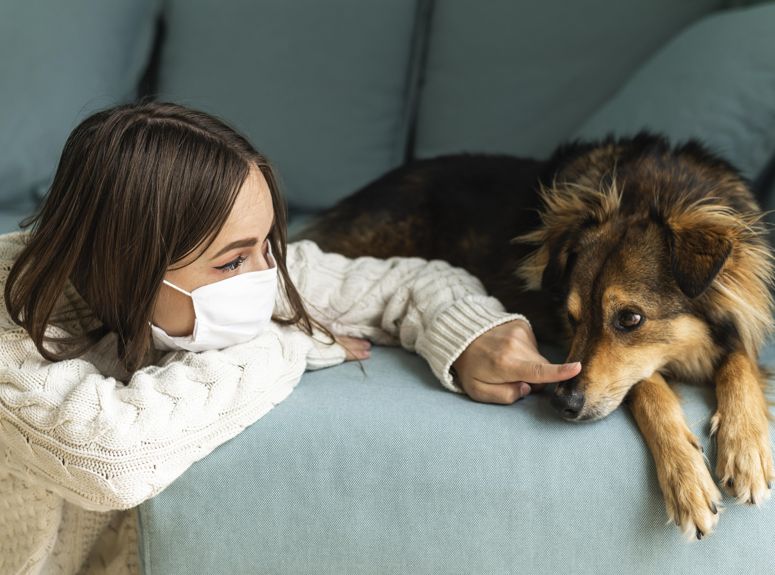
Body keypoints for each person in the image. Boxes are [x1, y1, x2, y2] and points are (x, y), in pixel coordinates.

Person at [0, 101, 581, 574]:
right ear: (128, 263)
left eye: (267, 245)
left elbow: (410, 282)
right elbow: (110, 455)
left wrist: (477, 333)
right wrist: (291, 342)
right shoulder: (13, 324)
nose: (266, 277)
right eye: (232, 262)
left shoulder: (235, 272)